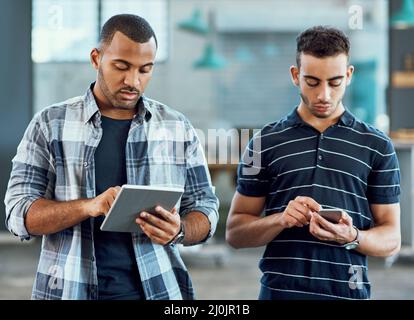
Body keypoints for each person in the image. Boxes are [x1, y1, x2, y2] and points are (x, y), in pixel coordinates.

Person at [4, 14, 219, 300]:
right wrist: (88, 207)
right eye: (122, 67)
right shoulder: (49, 124)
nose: (133, 81)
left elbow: (206, 207)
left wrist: (179, 230)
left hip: (159, 291)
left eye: (145, 69)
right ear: (96, 59)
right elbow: (18, 212)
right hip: (69, 290)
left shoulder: (177, 127)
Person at [226, 26, 401, 300]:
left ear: (349, 76)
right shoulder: (263, 142)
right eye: (312, 82)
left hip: (349, 294)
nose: (324, 95)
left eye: (335, 82)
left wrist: (352, 236)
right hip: (279, 294)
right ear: (296, 76)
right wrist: (280, 219)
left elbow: (391, 238)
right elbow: (235, 233)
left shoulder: (377, 145)